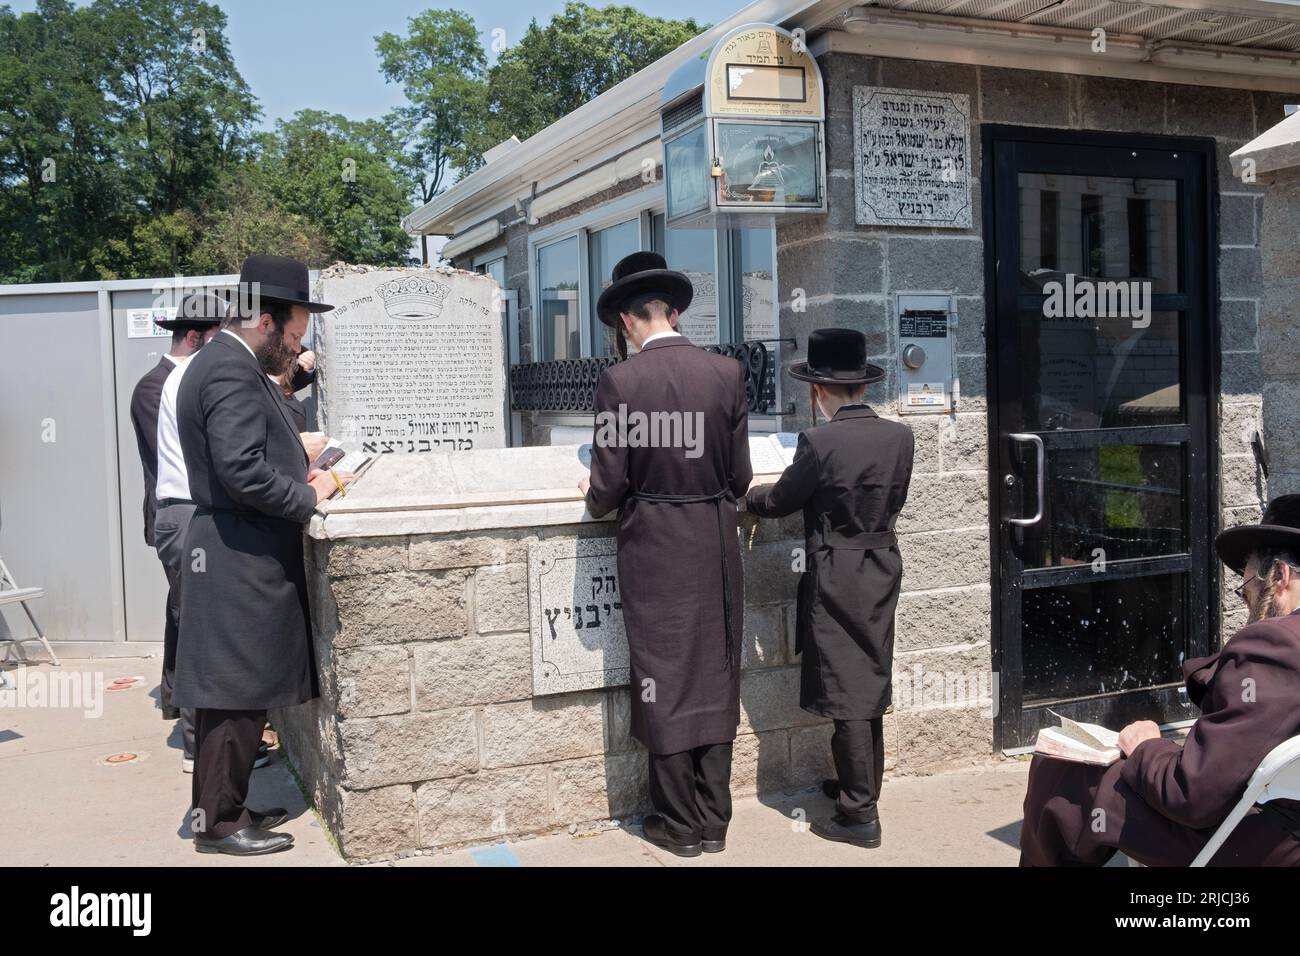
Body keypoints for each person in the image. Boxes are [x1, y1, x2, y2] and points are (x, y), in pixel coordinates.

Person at [172, 255, 351, 856]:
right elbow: (241, 470)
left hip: (238, 547)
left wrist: (296, 460)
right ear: (266, 321)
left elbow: (251, 453)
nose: (296, 346)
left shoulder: (228, 363)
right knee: (232, 693)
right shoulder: (228, 370)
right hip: (235, 553)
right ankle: (217, 824)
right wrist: (308, 493)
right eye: (296, 333)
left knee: (243, 690)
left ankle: (230, 804)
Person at [579, 251, 753, 858]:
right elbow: (740, 477)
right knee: (716, 668)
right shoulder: (727, 373)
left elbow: (605, 491)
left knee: (662, 675)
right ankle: (714, 821)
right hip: (713, 538)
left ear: (627, 320)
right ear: (675, 312)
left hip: (654, 543)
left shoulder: (620, 382)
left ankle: (677, 825)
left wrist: (594, 489)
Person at [1019, 494, 1300, 866]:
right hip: (1274, 818)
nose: (1248, 606)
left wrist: (1147, 747)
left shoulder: (1276, 643)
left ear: (1279, 576)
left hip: (1261, 844)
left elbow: (1192, 794)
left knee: (1065, 771)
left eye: (1248, 588)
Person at [745, 328, 914, 849]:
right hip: (882, 564)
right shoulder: (899, 436)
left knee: (847, 693)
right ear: (862, 385)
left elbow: (781, 501)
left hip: (837, 572)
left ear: (817, 391)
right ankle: (858, 789)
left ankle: (859, 816)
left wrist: (750, 498)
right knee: (867, 683)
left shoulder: (818, 441)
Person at [129, 298, 220, 738]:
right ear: (193, 336)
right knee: (190, 618)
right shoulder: (157, 386)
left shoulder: (181, 380)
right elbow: (181, 458)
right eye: (216, 337)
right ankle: (193, 735)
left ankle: (174, 699)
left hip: (184, 515)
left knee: (181, 612)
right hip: (178, 513)